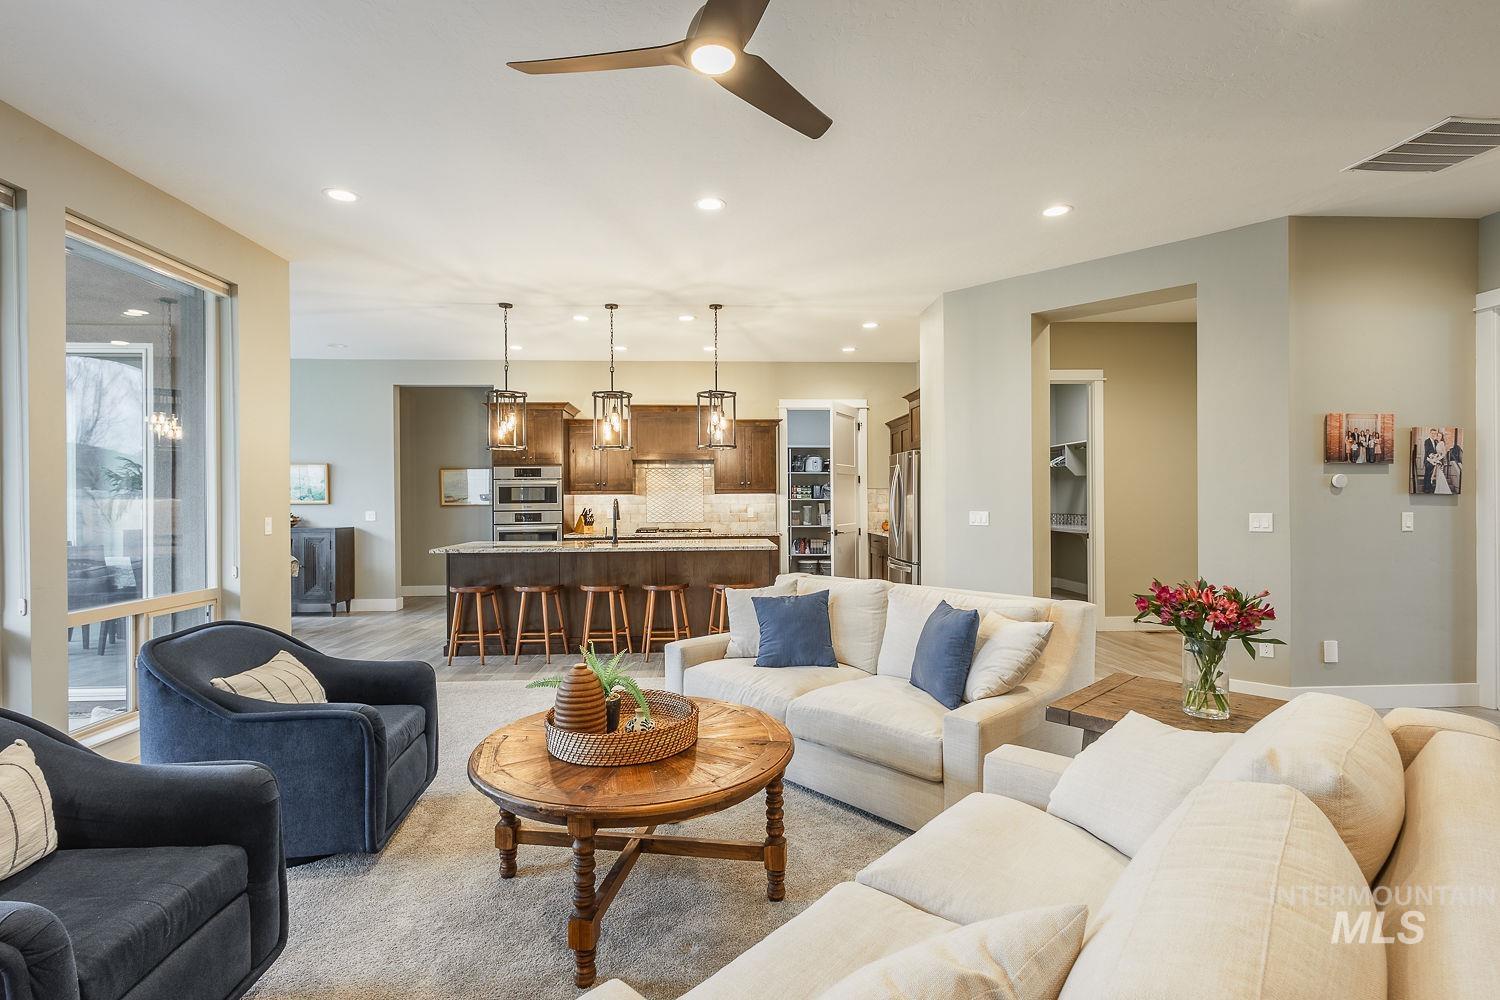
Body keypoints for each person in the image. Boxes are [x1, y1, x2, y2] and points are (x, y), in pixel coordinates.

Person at [1421, 427, 1443, 493]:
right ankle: (1425, 488)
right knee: (1427, 474)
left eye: (1434, 434)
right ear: (1430, 433)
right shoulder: (1427, 441)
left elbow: (1436, 450)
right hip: (1428, 460)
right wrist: (1433, 456)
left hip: (1434, 460)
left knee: (1430, 475)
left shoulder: (1435, 442)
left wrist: (1437, 457)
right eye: (1432, 433)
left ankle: (1429, 487)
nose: (1433, 435)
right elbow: (1427, 451)